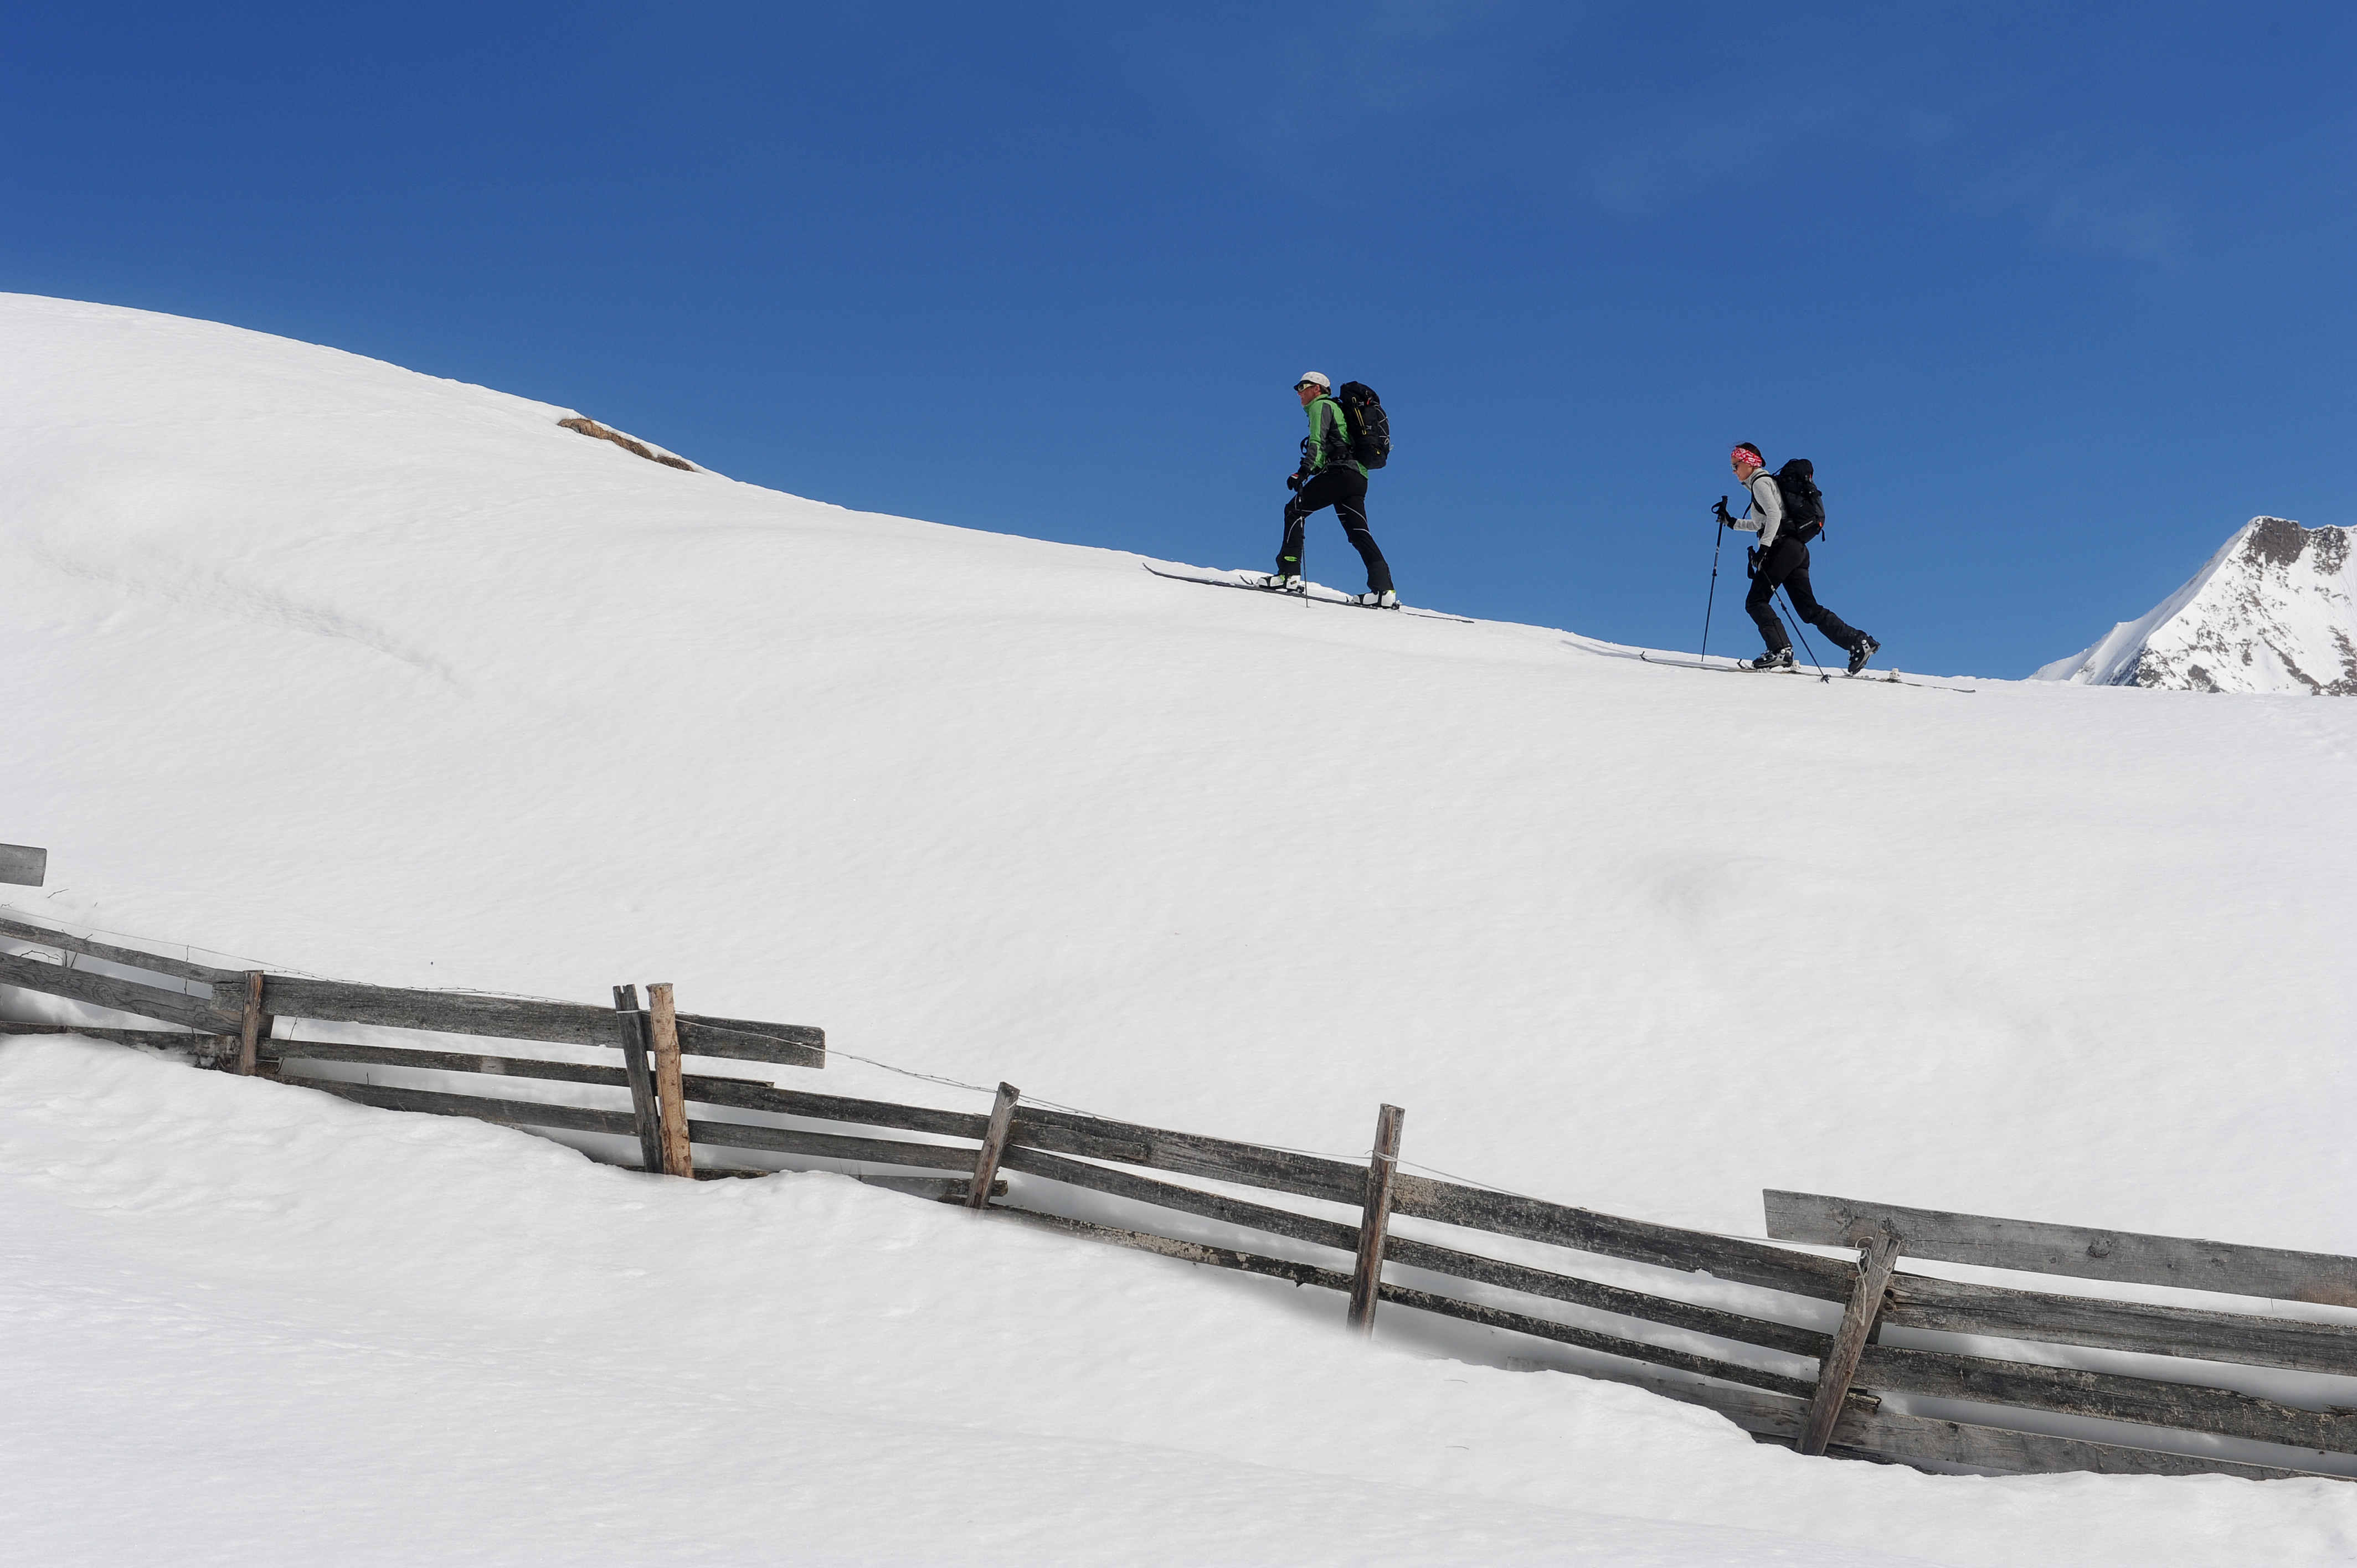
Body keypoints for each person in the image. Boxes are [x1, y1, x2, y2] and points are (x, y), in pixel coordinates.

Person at [1715, 442, 1879, 673]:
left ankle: (1780, 649)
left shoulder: (1761, 483)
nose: (1734, 471)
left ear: (1749, 462)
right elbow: (1763, 523)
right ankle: (1859, 642)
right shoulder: (1764, 484)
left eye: (1736, 465)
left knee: (1756, 601)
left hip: (1782, 549)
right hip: (1796, 550)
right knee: (1808, 609)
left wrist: (1764, 548)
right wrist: (1731, 522)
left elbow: (1772, 516)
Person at [1268, 372, 1396, 607]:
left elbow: (1317, 442)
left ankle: (1288, 574)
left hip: (1341, 474)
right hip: (1357, 477)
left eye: (1303, 386)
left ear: (1317, 389)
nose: (1299, 391)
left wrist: (1303, 472)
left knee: (1294, 510)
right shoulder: (1334, 408)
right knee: (1359, 532)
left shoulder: (1322, 406)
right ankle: (1384, 590)